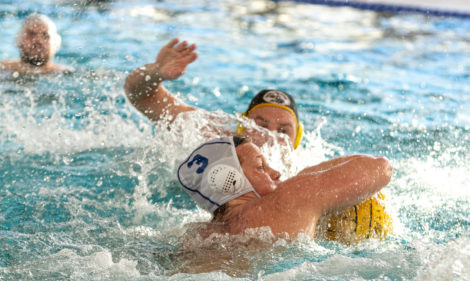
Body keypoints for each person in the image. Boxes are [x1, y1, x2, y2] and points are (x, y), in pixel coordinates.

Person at [177, 136, 393, 239]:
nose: (276, 173)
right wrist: (301, 181)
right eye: (261, 166)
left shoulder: (194, 234)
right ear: (229, 181)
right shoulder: (288, 199)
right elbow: (379, 167)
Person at [124, 38, 303, 149]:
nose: (270, 137)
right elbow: (141, 96)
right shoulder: (210, 136)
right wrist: (156, 72)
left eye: (283, 131)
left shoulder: (305, 176)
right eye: (261, 127)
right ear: (242, 127)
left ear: (297, 139)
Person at [0, 13, 67, 74]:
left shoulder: (66, 73)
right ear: (18, 41)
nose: (38, 40)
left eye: (45, 36)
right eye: (31, 34)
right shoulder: (2, 68)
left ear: (56, 44)